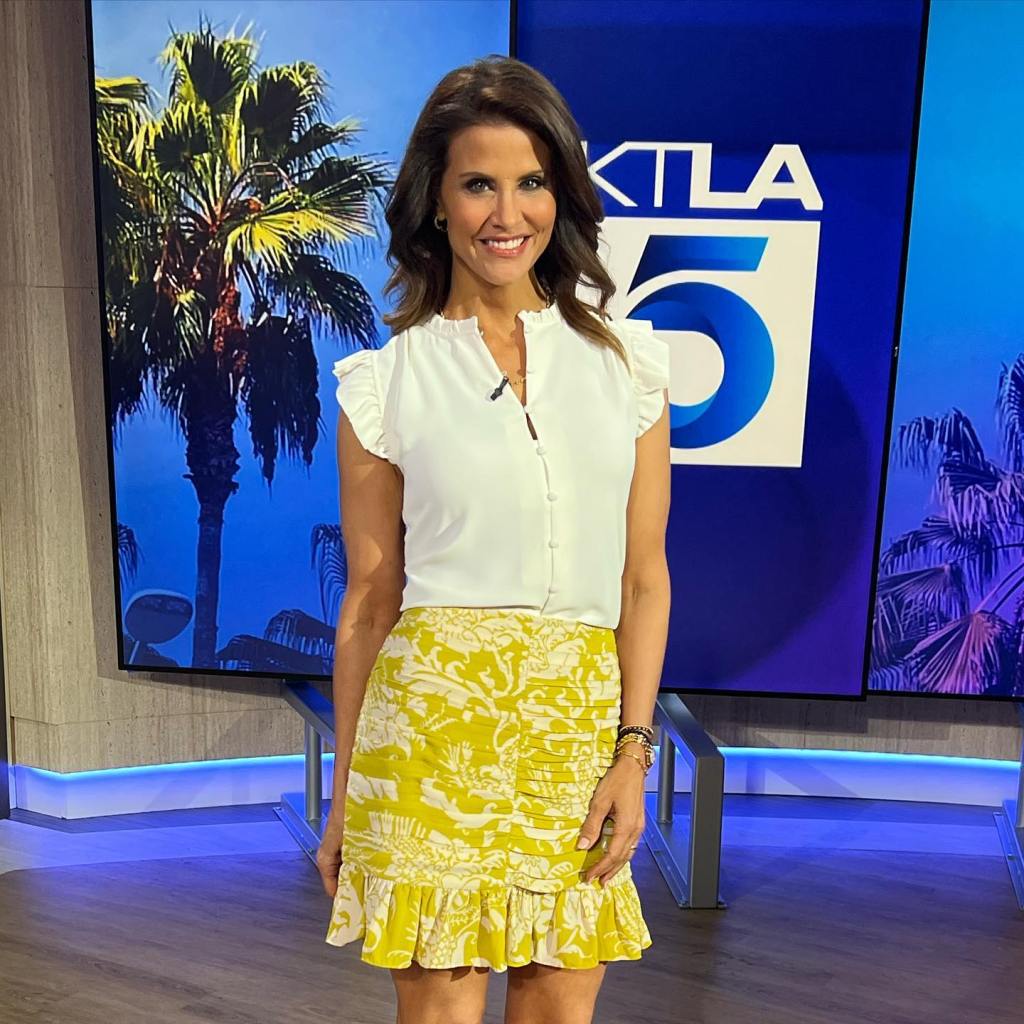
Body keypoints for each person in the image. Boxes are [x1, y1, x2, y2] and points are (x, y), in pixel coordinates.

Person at [316, 54, 671, 1024]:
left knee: (561, 1010)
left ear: (561, 196)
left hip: (574, 736)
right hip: (427, 737)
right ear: (436, 201)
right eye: (479, 184)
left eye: (531, 182)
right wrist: (345, 794)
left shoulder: (629, 366)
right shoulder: (383, 384)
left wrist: (633, 753)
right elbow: (369, 602)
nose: (506, 214)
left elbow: (643, 580)